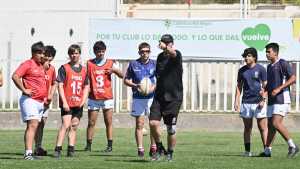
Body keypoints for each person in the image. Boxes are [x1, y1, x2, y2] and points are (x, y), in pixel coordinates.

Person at [261, 42, 298, 158]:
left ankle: (293, 146)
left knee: (276, 123)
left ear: (275, 52)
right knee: (271, 126)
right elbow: (270, 84)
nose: (267, 54)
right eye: (266, 52)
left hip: (282, 98)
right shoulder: (269, 66)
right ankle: (267, 151)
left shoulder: (283, 63)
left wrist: (279, 89)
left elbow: (293, 78)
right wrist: (264, 93)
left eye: (269, 51)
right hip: (272, 100)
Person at [84, 41, 123, 152]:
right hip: (94, 97)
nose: (100, 53)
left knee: (108, 122)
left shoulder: (110, 63)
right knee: (91, 122)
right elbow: (83, 76)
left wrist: (114, 71)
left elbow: (122, 75)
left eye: (102, 51)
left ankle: (109, 146)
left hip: (107, 97)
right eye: (98, 51)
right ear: (94, 52)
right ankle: (88, 145)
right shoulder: (89, 63)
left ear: (105, 51)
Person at [149, 34, 183, 162]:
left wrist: (167, 48)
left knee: (171, 129)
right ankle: (159, 147)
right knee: (153, 123)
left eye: (166, 42)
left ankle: (170, 153)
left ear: (171, 44)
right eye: (162, 42)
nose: (163, 44)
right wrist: (151, 87)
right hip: (159, 96)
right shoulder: (159, 57)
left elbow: (173, 53)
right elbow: (159, 76)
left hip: (174, 98)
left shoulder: (177, 54)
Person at [12, 41, 47, 160]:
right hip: (29, 100)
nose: (42, 55)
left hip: (40, 101)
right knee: (32, 125)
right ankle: (28, 154)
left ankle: (31, 152)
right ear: (33, 53)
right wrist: (24, 89)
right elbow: (15, 76)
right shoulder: (27, 64)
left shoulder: (41, 66)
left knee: (35, 126)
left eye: (43, 53)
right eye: (40, 53)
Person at [54, 44, 89, 158]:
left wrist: (83, 101)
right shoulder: (64, 68)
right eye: (72, 53)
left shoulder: (84, 70)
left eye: (76, 53)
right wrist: (64, 102)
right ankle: (58, 149)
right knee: (65, 124)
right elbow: (60, 85)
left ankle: (71, 149)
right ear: (69, 55)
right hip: (67, 102)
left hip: (78, 103)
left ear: (79, 54)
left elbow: (86, 87)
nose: (74, 55)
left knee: (74, 126)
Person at [124, 42, 157, 158]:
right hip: (138, 98)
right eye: (142, 51)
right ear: (139, 52)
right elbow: (126, 80)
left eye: (147, 51)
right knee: (139, 124)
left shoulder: (155, 64)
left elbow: (160, 79)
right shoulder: (133, 64)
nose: (145, 53)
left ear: (149, 52)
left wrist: (153, 87)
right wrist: (135, 85)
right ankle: (140, 149)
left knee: (153, 124)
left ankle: (154, 147)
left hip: (152, 98)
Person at [234, 47, 268, 157]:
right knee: (247, 128)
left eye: (248, 56)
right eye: (245, 56)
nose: (246, 58)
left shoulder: (261, 69)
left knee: (262, 127)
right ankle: (247, 152)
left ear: (254, 57)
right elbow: (239, 87)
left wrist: (263, 100)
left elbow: (266, 86)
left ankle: (266, 151)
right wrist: (236, 100)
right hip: (246, 103)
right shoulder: (242, 70)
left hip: (258, 102)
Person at [34, 45, 57, 156]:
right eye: (46, 56)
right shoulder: (36, 67)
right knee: (34, 123)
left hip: (46, 102)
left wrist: (50, 95)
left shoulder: (52, 69)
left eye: (50, 56)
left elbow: (53, 83)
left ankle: (38, 146)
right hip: (35, 100)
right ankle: (33, 148)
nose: (48, 58)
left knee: (42, 123)